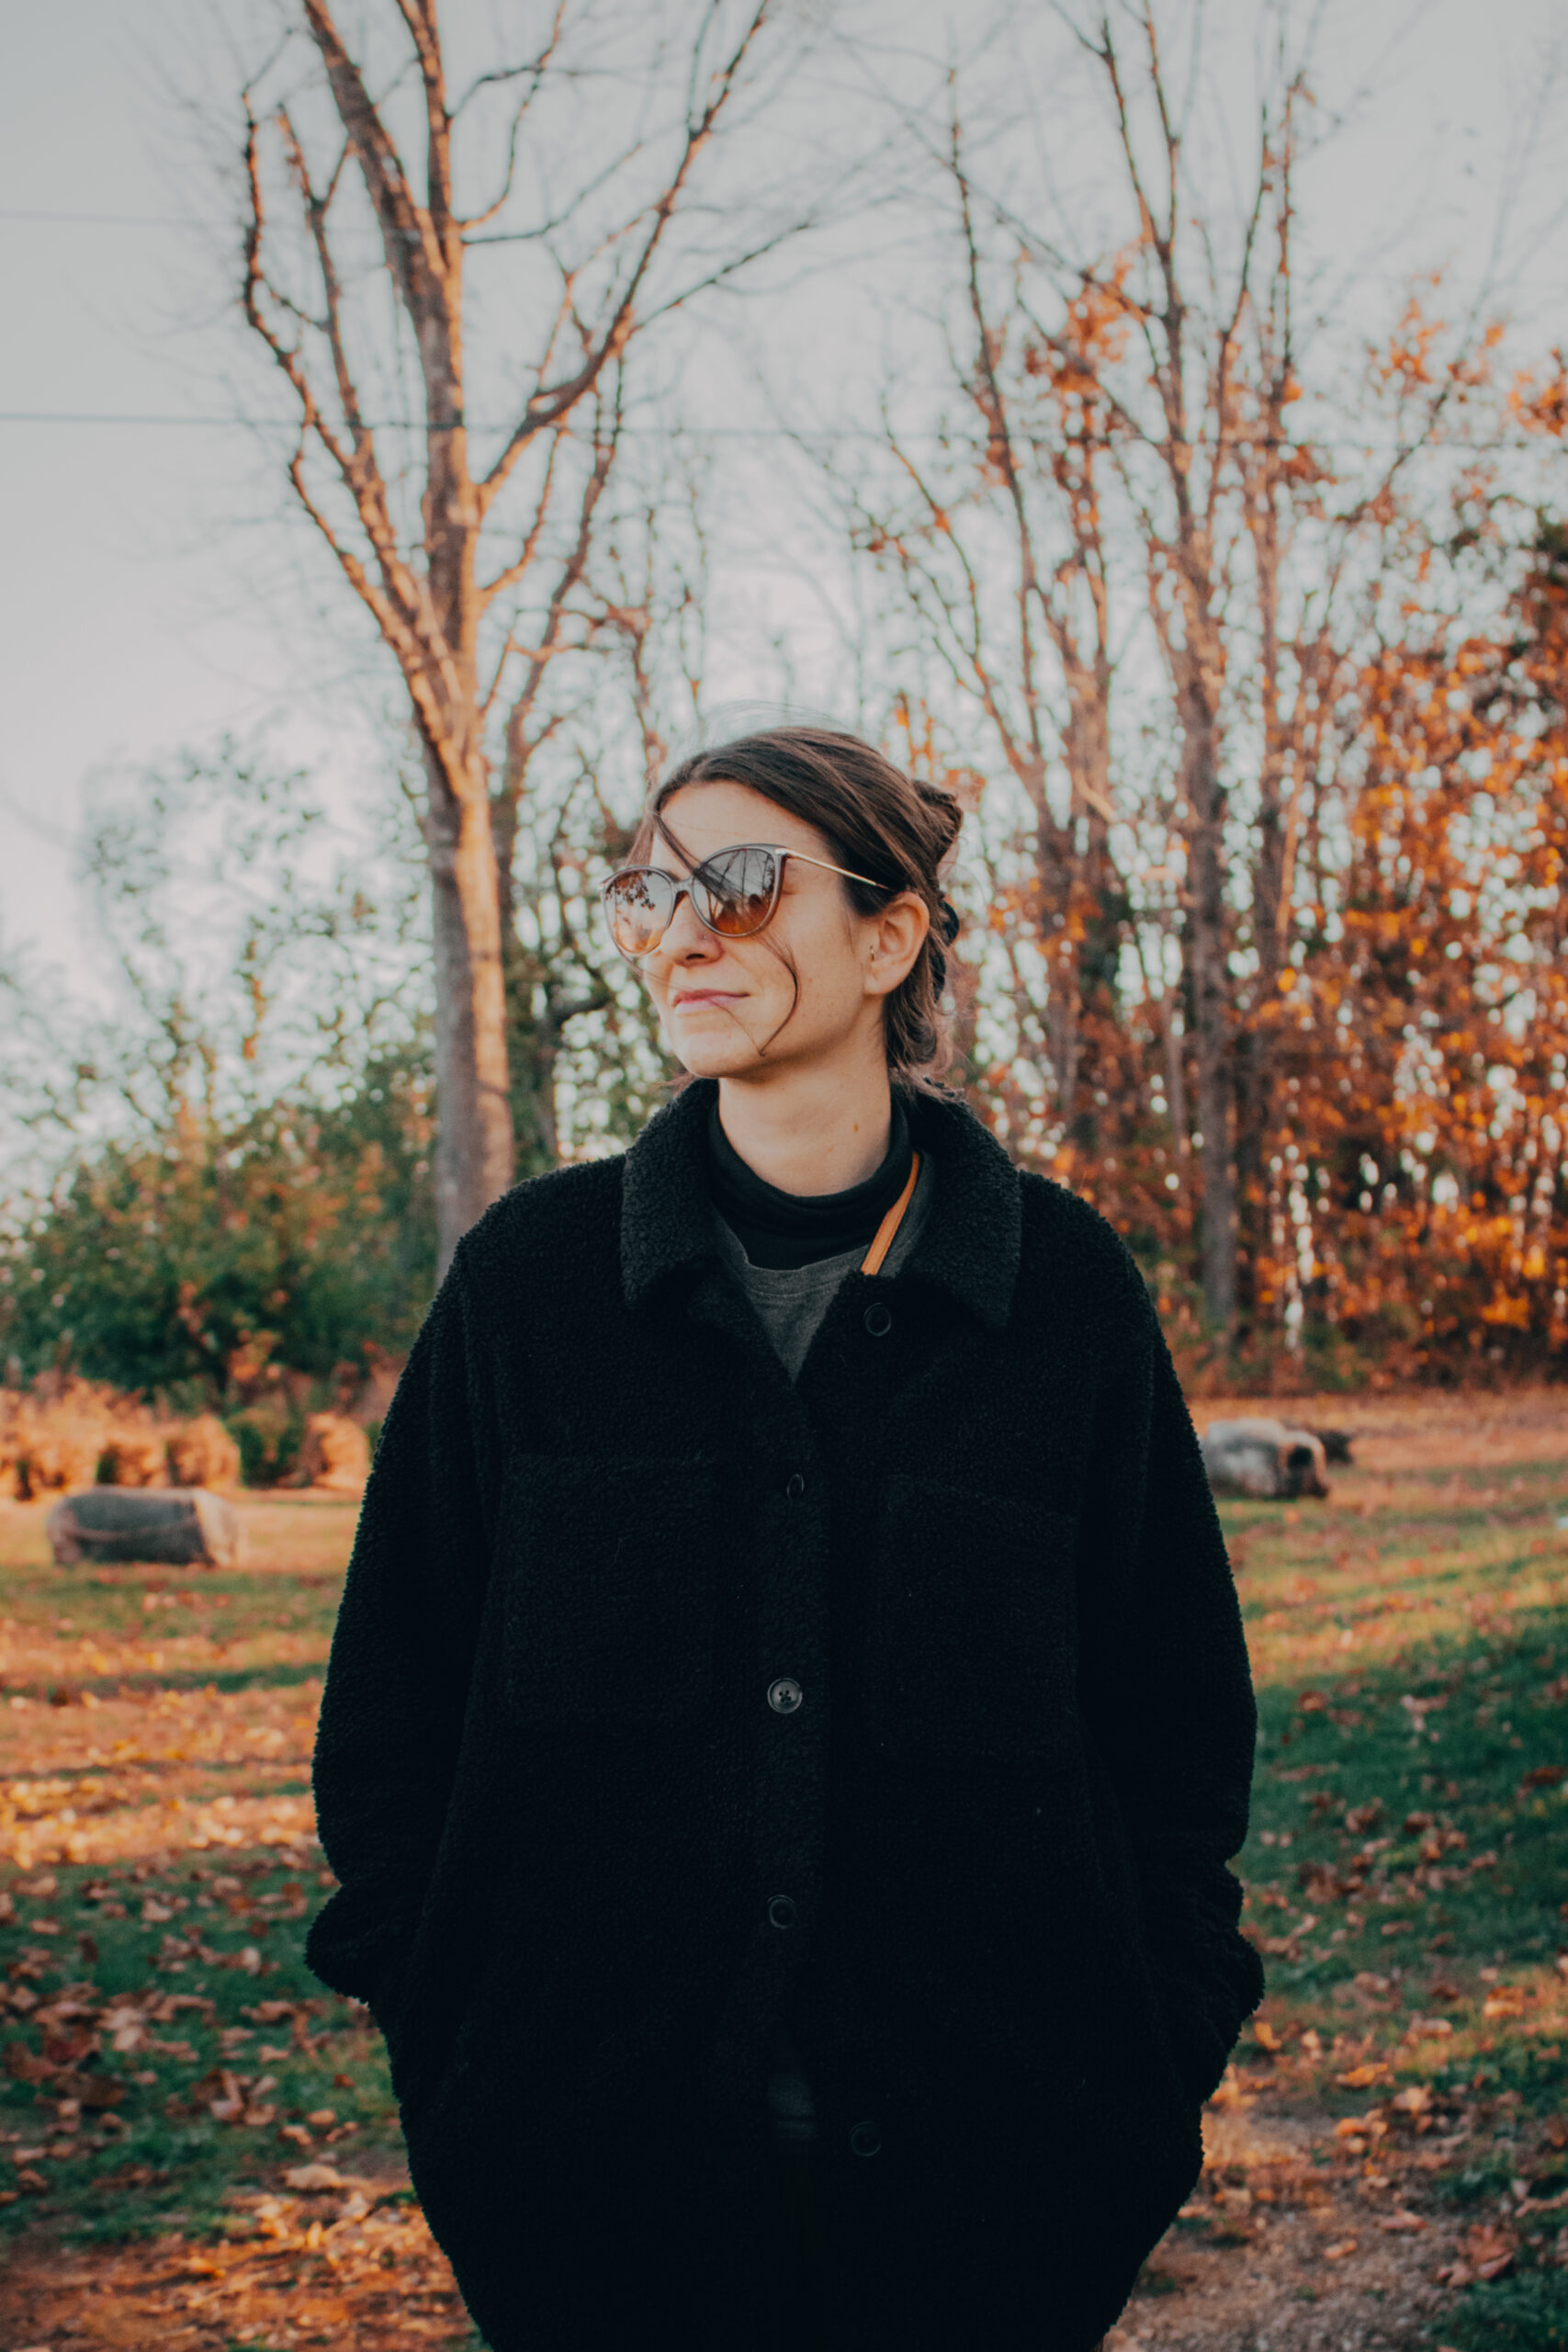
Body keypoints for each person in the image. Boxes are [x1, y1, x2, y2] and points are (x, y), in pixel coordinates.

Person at [305, 724, 1264, 2352]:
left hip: (998, 2207)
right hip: (594, 2202)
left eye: (742, 885)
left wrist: (1143, 2073)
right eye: (650, 892)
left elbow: (1176, 1735)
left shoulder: (1064, 1302)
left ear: (890, 939)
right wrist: (461, 2056)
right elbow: (390, 1716)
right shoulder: (531, 1293)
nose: (684, 931)